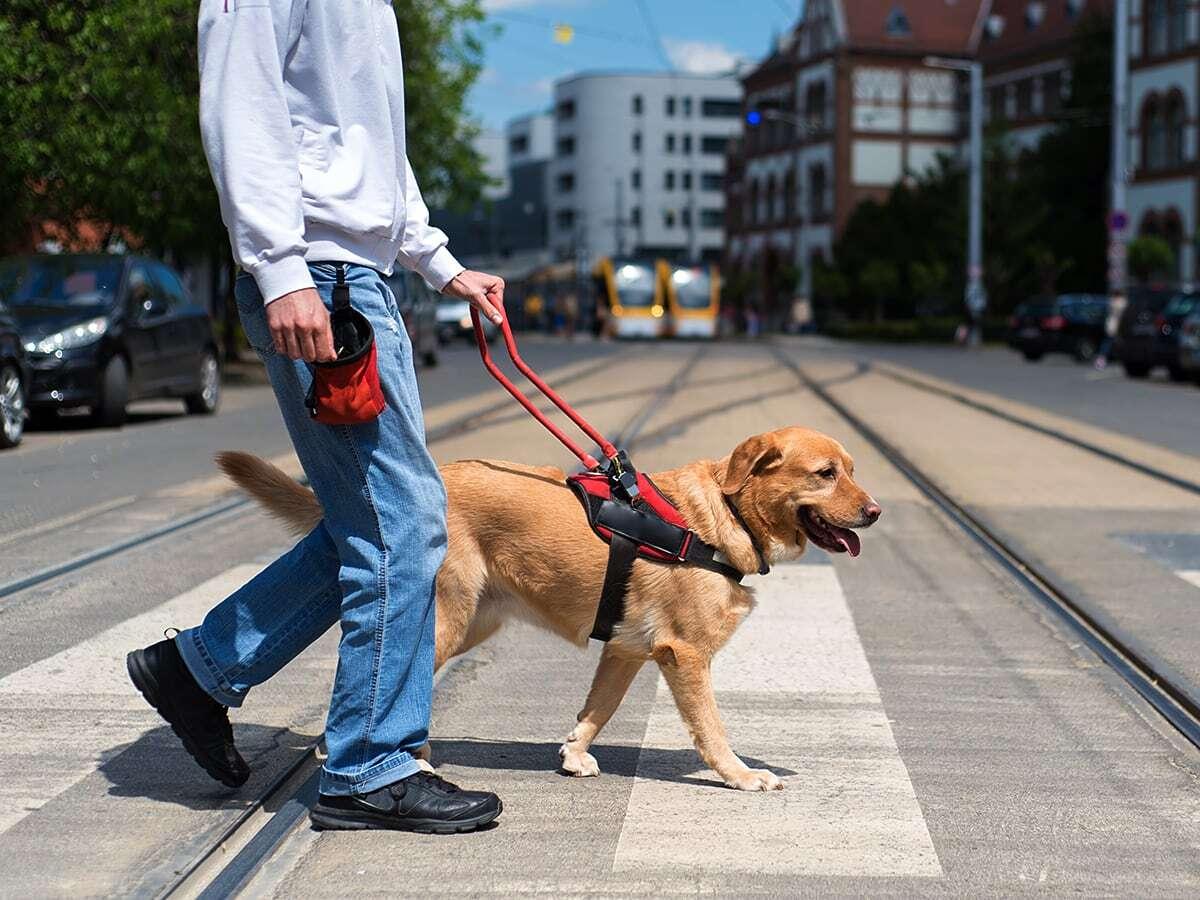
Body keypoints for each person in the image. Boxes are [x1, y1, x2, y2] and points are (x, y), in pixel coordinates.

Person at [125, 0, 506, 834]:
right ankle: (370, 766)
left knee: (374, 521)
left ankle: (199, 670)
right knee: (403, 523)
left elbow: (369, 144)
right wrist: (279, 265)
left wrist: (438, 263)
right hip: (320, 277)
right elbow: (242, 102)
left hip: (356, 276)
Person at [1094, 290, 1127, 370]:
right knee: (1109, 343)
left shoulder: (1110, 301)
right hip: (1117, 325)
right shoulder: (1122, 302)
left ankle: (1101, 360)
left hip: (1111, 325)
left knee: (1108, 343)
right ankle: (1102, 360)